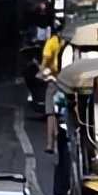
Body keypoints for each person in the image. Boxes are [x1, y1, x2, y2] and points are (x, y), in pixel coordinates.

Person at [39, 21, 64, 153]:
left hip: (54, 81)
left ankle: (50, 143)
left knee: (50, 113)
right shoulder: (68, 43)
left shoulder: (52, 43)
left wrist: (41, 73)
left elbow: (44, 64)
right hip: (67, 82)